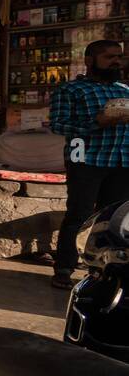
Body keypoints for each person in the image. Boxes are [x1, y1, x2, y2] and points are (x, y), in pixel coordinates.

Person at [48, 39, 129, 289]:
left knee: (113, 219)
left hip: (122, 162)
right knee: (79, 215)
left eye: (118, 57)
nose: (116, 61)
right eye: (108, 57)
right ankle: (64, 268)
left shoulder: (124, 91)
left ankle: (103, 270)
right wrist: (97, 122)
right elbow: (58, 124)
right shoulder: (71, 90)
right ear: (89, 60)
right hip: (85, 160)